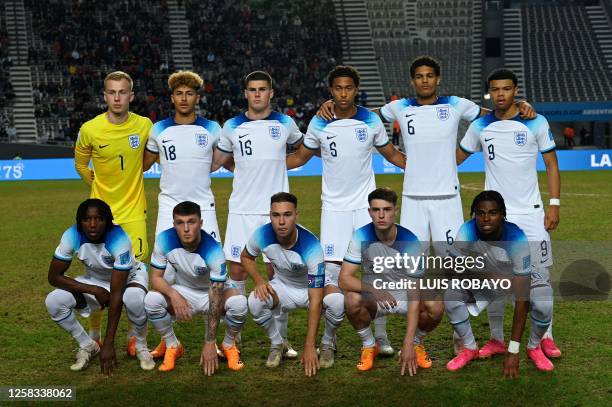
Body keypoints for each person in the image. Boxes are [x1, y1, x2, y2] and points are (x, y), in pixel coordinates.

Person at [319, 56, 536, 362]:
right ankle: (386, 335)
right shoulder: (399, 107)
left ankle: (461, 337)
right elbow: (357, 112)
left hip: (447, 199)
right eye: (419, 76)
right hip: (413, 201)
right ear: (412, 81)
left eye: (429, 76)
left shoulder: (457, 105)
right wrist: (328, 105)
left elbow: (492, 113)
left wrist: (520, 108)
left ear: (438, 79)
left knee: (457, 269)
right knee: (399, 269)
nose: (424, 80)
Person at [287, 65, 406, 365]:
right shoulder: (319, 121)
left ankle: (380, 335)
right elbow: (301, 156)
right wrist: (262, 163)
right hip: (334, 211)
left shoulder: (371, 119)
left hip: (366, 209)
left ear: (356, 89)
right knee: (335, 281)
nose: (343, 93)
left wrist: (426, 168)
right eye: (337, 88)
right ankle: (329, 339)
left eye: (348, 88)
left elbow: (392, 154)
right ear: (331, 90)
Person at [457, 68, 561, 369]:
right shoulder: (480, 126)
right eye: (495, 90)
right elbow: (456, 158)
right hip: (496, 216)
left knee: (540, 276)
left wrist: (553, 204)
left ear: (515, 90)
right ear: (490, 93)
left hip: (531, 213)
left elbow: (552, 164)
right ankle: (497, 339)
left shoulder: (535, 121)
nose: (501, 94)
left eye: (506, 89)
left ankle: (544, 338)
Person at [212, 71, 303, 357]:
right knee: (237, 270)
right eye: (252, 89)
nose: (257, 94)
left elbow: (301, 152)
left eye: (262, 89)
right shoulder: (232, 126)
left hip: (275, 212)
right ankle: (233, 337)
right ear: (245, 93)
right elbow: (224, 160)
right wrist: (244, 169)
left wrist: (277, 166)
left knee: (276, 272)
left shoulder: (285, 123)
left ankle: (281, 338)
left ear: (271, 93)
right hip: (242, 210)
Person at [74, 71, 153, 344]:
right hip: (101, 216)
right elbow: (81, 164)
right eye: (112, 92)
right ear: (105, 95)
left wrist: (134, 175)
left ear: (131, 96)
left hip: (133, 213)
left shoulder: (144, 125)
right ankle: (95, 332)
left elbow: (148, 157)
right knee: (98, 273)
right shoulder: (90, 129)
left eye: (122, 92)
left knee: (135, 273)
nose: (117, 98)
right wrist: (94, 183)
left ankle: (135, 334)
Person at [445, 191, 552, 376]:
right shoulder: (467, 230)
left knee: (543, 302)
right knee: (451, 296)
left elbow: (522, 297)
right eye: (480, 213)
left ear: (502, 215)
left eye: (493, 213)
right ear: (474, 215)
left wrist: (513, 349)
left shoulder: (516, 238)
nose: (486, 218)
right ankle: (470, 348)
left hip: (522, 277)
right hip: (491, 276)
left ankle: (533, 346)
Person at [45, 199, 152, 373]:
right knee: (54, 301)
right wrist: (93, 289)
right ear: (80, 222)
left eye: (98, 219)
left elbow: (116, 294)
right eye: (87, 219)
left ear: (107, 221)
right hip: (94, 280)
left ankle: (141, 345)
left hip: (129, 277)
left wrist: (109, 344)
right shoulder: (71, 235)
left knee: (134, 298)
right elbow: (54, 277)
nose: (92, 224)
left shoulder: (119, 239)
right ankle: (89, 345)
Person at [144, 201, 247, 374]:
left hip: (214, 293)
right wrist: (174, 294)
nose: (186, 229)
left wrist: (209, 343)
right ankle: (172, 345)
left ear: (200, 223)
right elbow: (155, 278)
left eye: (191, 222)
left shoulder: (213, 251)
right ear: (174, 224)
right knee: (151, 300)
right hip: (184, 291)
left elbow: (215, 297)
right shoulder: (164, 239)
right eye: (180, 223)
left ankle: (228, 344)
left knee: (239, 303)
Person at [338, 187, 426, 374]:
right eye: (376, 210)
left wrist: (408, 341)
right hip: (376, 296)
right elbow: (344, 279)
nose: (381, 215)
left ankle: (416, 344)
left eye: (386, 209)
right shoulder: (360, 236)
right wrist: (373, 290)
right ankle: (370, 345)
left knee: (435, 304)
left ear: (396, 211)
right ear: (369, 212)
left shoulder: (411, 242)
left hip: (404, 293)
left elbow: (414, 292)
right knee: (351, 299)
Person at [244, 193, 325, 376]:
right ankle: (277, 343)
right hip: (282, 287)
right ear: (270, 215)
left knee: (336, 302)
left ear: (296, 215)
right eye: (276, 215)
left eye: (287, 215)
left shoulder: (311, 246)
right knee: (255, 301)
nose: (281, 221)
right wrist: (259, 280)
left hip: (310, 290)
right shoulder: (262, 234)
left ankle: (327, 344)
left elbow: (316, 298)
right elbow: (246, 256)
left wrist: (309, 345)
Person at [143, 70, 223, 241]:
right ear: (172, 98)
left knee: (212, 261)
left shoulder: (213, 129)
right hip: (169, 206)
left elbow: (225, 161)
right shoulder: (158, 129)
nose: (184, 99)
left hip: (203, 206)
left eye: (189, 94)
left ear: (197, 98)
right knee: (166, 263)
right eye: (179, 94)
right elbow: (144, 165)